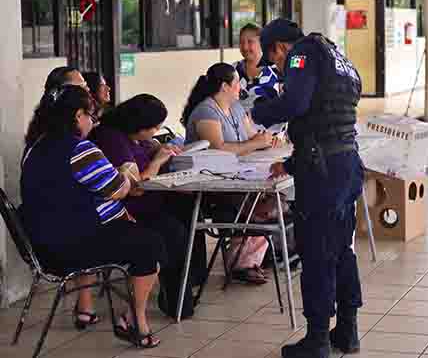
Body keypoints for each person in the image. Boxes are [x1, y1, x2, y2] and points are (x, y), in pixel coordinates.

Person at [250, 19, 364, 358]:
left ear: (280, 48)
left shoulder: (301, 54)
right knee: (342, 249)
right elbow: (326, 121)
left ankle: (316, 341)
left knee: (316, 254)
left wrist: (260, 111)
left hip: (324, 174)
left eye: (275, 62)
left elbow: (296, 105)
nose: (280, 72)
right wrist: (291, 165)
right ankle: (347, 330)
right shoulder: (334, 55)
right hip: (345, 162)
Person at [21, 84, 163, 348]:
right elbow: (120, 190)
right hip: (72, 247)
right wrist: (121, 172)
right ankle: (135, 320)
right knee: (151, 244)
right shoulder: (80, 149)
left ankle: (123, 315)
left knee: (137, 235)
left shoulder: (34, 148)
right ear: (77, 116)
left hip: (42, 246)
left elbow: (67, 195)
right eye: (91, 116)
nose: (93, 122)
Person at [91, 94, 206, 319]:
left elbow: (146, 150)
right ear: (138, 125)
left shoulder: (132, 137)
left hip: (153, 201)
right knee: (176, 232)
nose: (154, 131)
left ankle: (189, 284)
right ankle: (176, 298)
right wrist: (157, 161)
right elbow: (135, 186)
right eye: (153, 127)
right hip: (130, 210)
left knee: (192, 212)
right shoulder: (112, 139)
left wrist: (158, 148)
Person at [181, 63, 278, 284]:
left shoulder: (235, 107)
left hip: (238, 176)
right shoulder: (206, 110)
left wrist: (267, 140)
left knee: (275, 197)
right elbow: (219, 148)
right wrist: (254, 143)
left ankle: (246, 260)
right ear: (225, 86)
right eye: (236, 84)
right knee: (261, 203)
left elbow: (253, 137)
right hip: (211, 184)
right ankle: (242, 262)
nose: (239, 88)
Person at [235, 23, 281, 111]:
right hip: (236, 124)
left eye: (250, 42)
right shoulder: (232, 71)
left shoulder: (278, 72)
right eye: (241, 42)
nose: (245, 47)